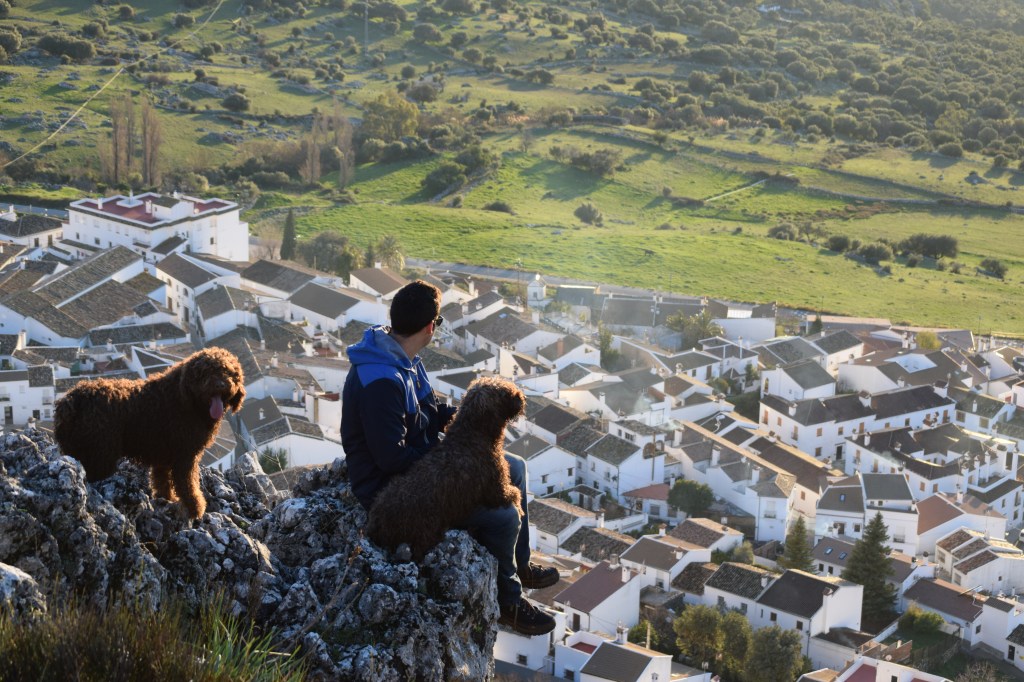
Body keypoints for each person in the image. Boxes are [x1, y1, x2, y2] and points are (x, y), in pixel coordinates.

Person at [342, 280, 557, 636]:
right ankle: (508, 601)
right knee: (504, 517)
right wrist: (455, 460)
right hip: (394, 489)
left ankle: (521, 566)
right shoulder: (382, 380)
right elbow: (391, 458)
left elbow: (432, 410)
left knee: (516, 468)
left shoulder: (402, 358)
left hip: (426, 467)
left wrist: (467, 419)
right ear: (430, 326)